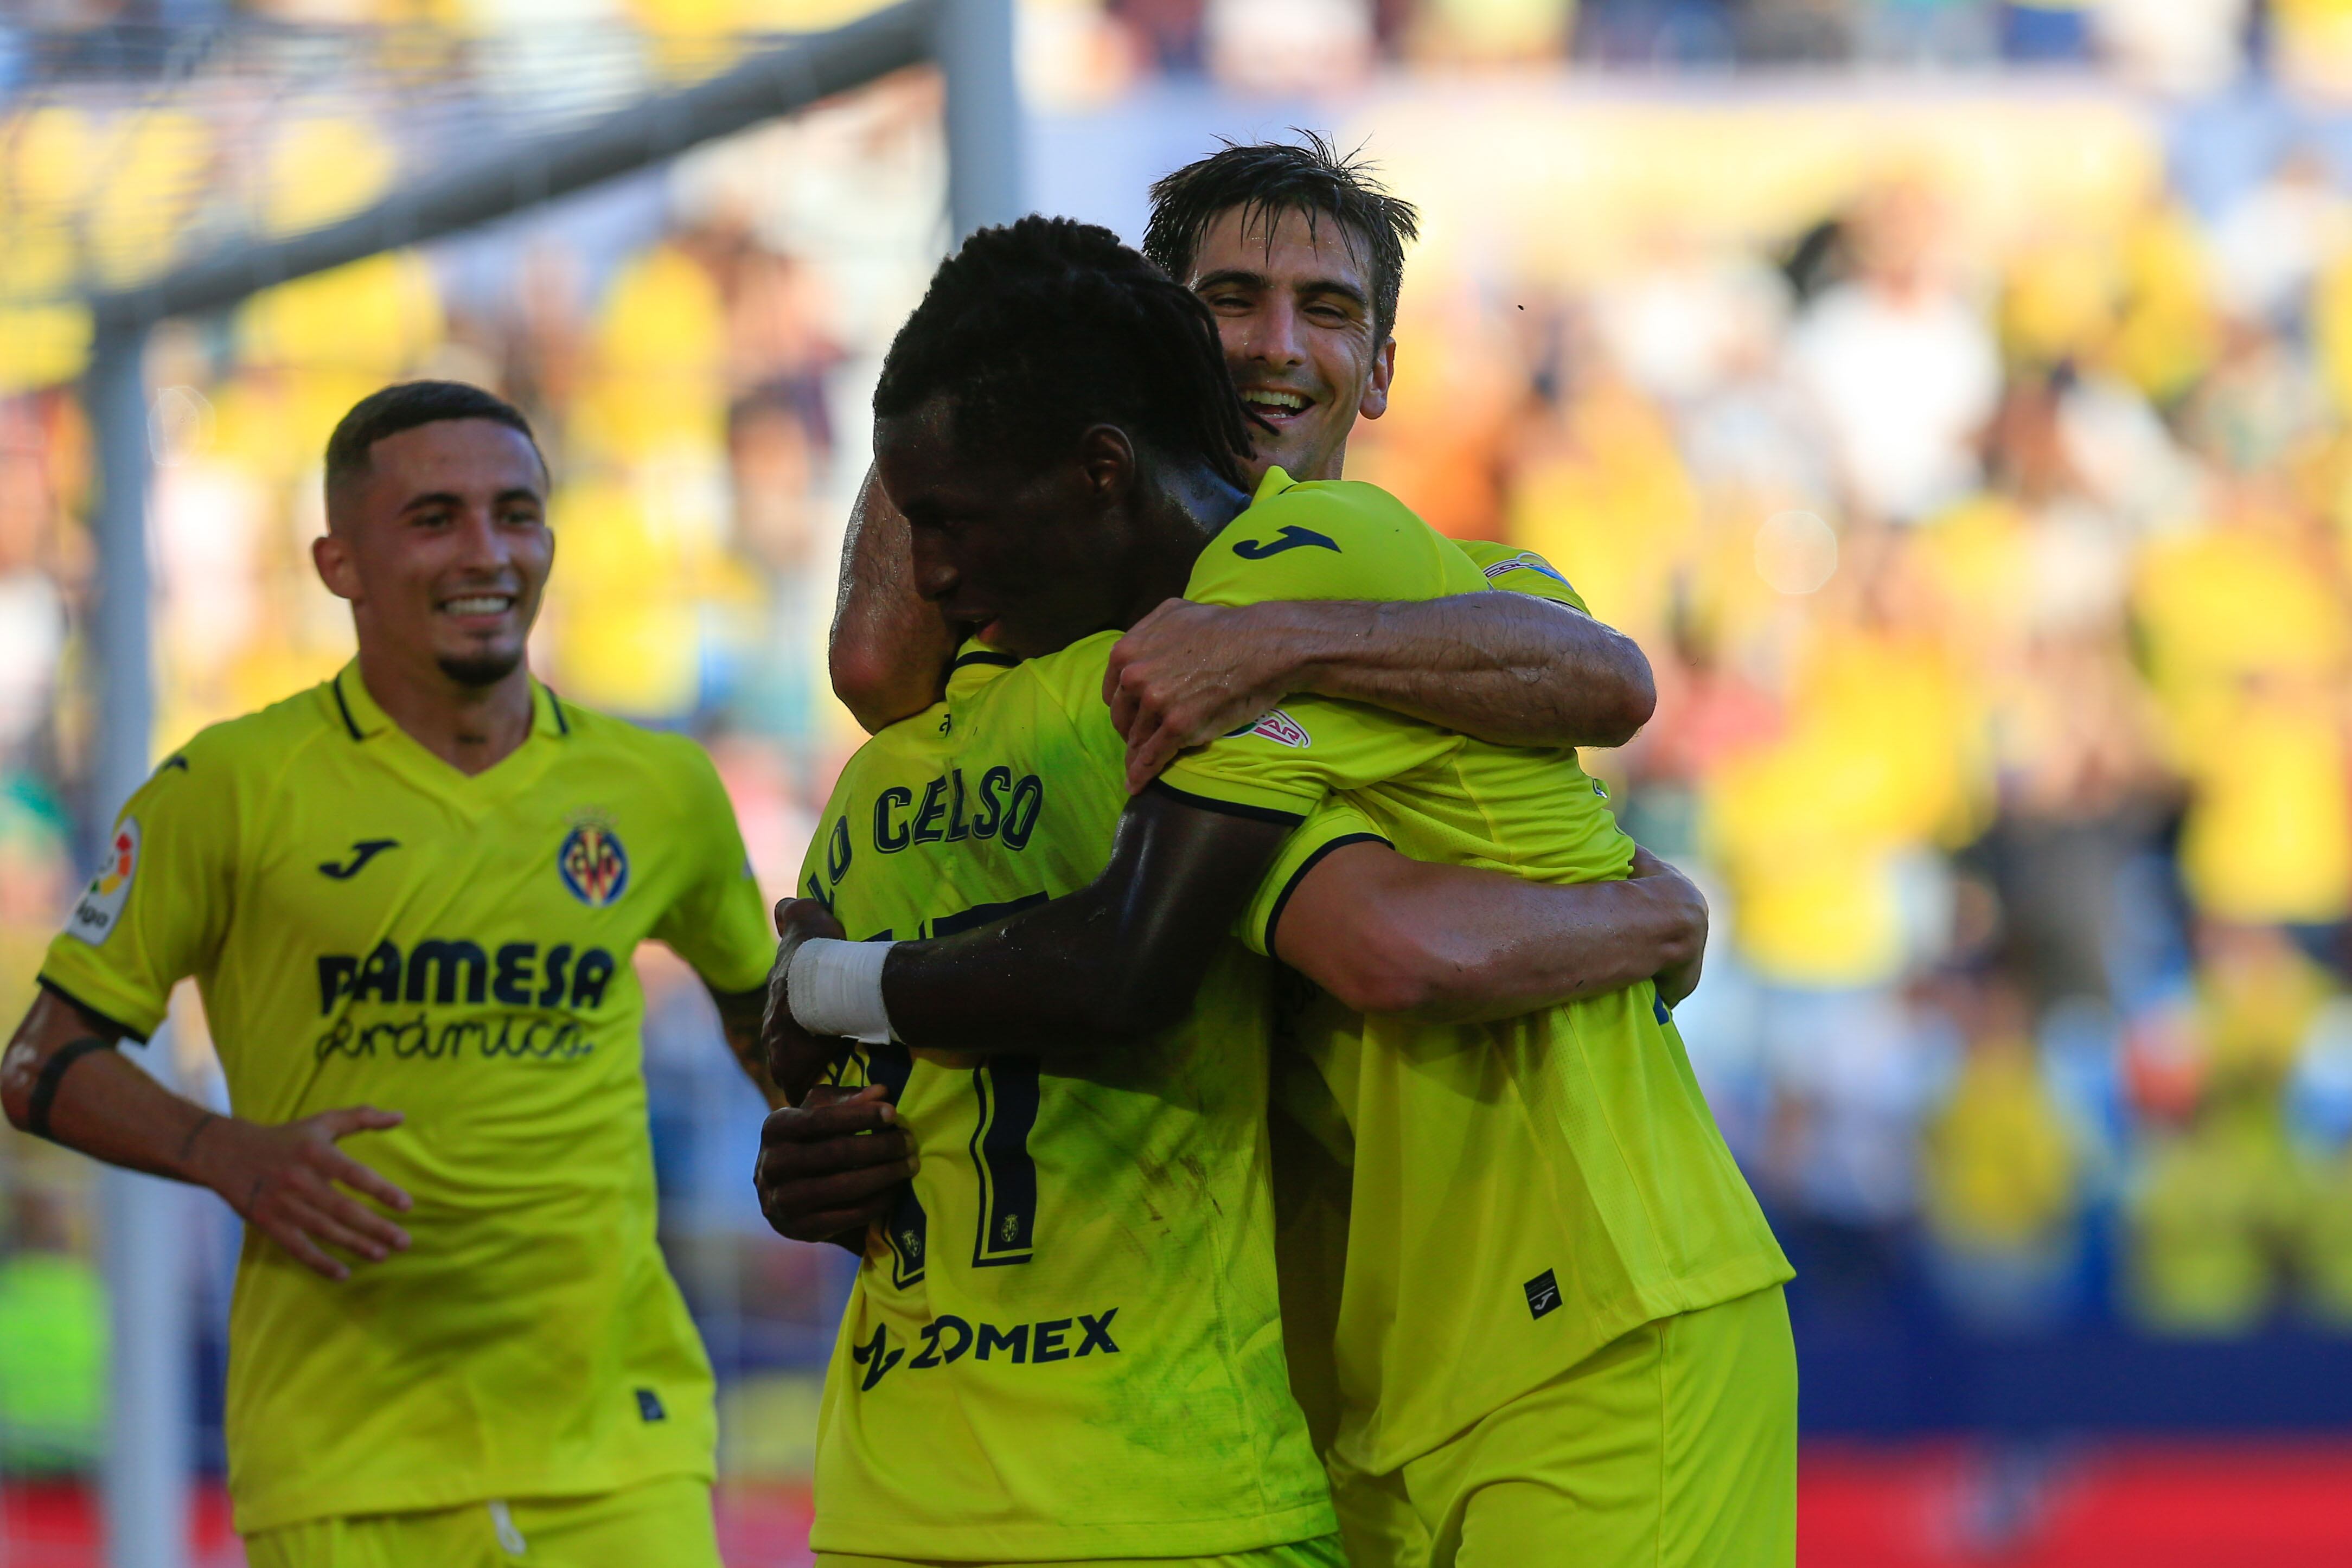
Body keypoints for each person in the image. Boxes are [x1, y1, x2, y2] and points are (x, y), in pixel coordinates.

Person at [767, 218, 1795, 1567]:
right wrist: (816, 1108)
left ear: (1377, 370)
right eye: (1230, 303)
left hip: (1593, 1314)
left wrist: (1657, 914)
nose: (1273, 344)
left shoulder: (1384, 582)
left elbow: (1593, 697)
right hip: (1341, 1386)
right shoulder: (1109, 672)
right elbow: (876, 660)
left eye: (1326, 309)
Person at [2, 382, 779, 1563]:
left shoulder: (658, 790)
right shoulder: (228, 788)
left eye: (515, 514)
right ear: (338, 562)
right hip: (346, 1460)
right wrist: (227, 1155)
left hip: (618, 1445)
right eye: (435, 519)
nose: (487, 552)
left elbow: (754, 1010)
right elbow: (39, 1061)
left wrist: (833, 1134)